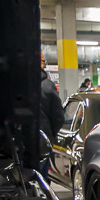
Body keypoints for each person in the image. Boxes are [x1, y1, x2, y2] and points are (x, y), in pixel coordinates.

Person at [39, 52, 64, 182]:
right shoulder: (47, 86)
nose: (44, 65)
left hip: (18, 145)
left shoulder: (16, 84)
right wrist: (50, 134)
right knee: (42, 181)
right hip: (42, 143)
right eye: (43, 62)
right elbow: (58, 117)